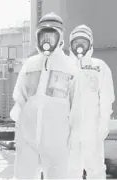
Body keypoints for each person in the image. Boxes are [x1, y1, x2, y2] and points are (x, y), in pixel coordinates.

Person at [10, 12, 80, 179]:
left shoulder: (71, 68)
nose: (46, 42)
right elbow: (19, 98)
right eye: (43, 36)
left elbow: (77, 107)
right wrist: (19, 132)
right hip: (28, 140)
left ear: (60, 37)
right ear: (37, 37)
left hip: (57, 143)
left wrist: (75, 137)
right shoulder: (30, 65)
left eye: (51, 36)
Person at [68, 25, 115, 179]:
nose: (79, 46)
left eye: (83, 42)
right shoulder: (65, 67)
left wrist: (103, 125)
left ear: (90, 44)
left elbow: (107, 98)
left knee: (95, 169)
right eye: (76, 42)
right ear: (71, 44)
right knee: (70, 169)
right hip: (70, 130)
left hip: (92, 129)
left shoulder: (99, 67)